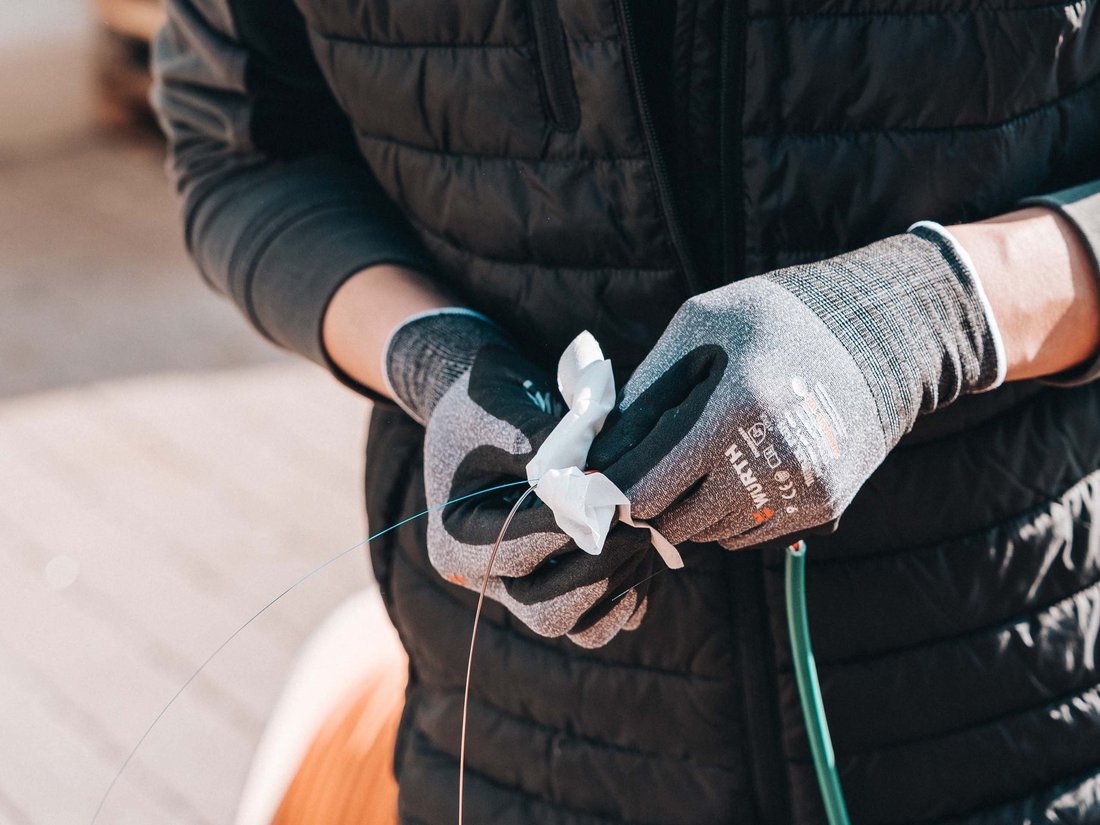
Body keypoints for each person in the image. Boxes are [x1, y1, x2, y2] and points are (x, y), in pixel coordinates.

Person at [152, 1, 1100, 822]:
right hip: (519, 746)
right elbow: (240, 141)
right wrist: (429, 356)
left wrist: (936, 311)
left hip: (1025, 710)